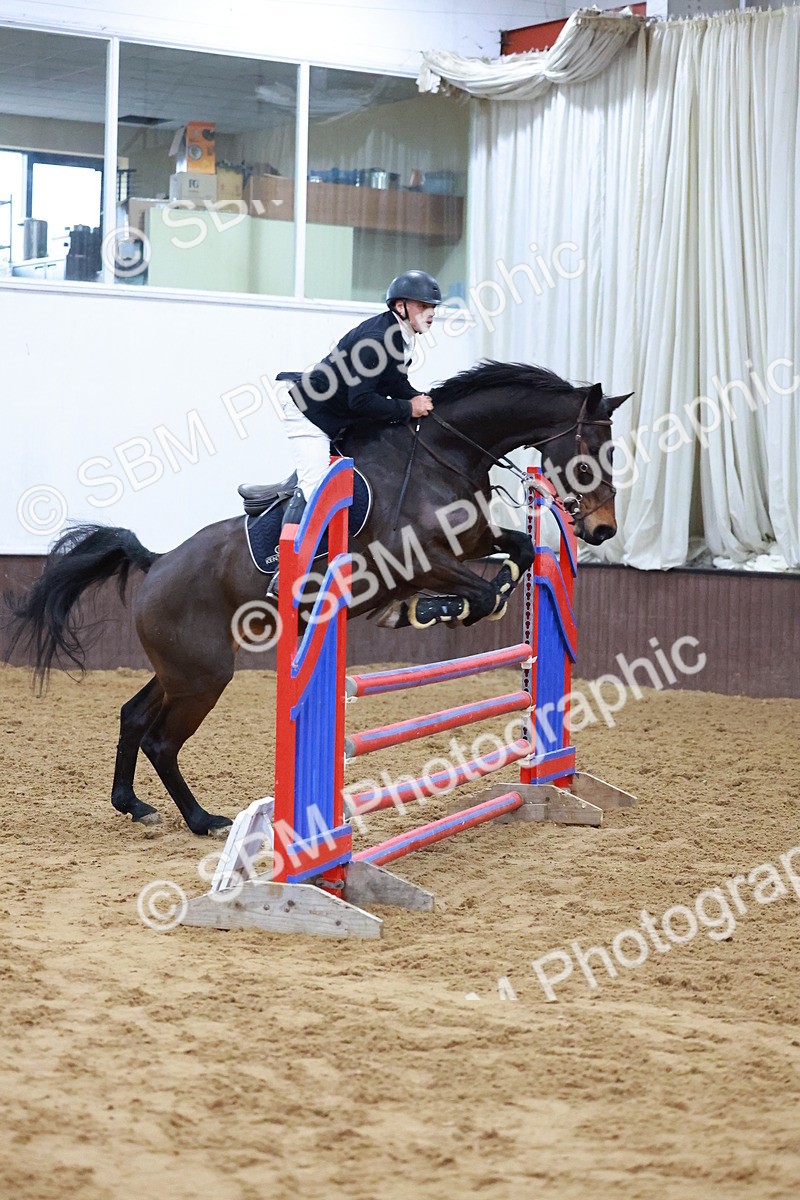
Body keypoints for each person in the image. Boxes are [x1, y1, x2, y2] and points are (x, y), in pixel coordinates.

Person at [276, 269, 441, 513]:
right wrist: (408, 408)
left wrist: (419, 397)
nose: (431, 314)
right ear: (400, 306)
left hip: (338, 409)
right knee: (317, 489)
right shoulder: (377, 339)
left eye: (433, 307)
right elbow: (361, 401)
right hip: (308, 410)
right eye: (423, 306)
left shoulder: (401, 335)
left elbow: (393, 383)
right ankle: (286, 549)